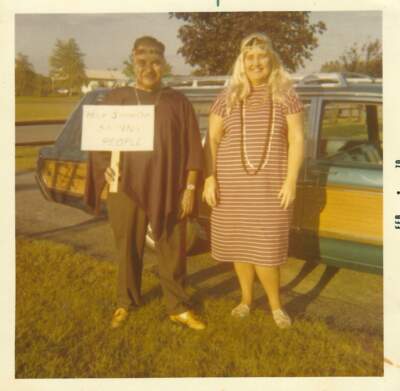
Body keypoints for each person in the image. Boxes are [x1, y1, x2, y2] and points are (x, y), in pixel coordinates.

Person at [84, 36, 205, 330]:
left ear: (163, 64)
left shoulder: (177, 101)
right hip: (125, 186)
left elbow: (193, 148)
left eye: (155, 62)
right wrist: (105, 169)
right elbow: (99, 144)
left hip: (170, 185)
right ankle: (125, 302)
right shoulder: (117, 98)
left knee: (172, 245)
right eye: (142, 62)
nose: (149, 68)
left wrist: (190, 187)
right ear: (133, 62)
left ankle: (177, 306)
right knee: (127, 245)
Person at [203, 32, 304, 328]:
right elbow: (212, 140)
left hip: (270, 188)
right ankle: (246, 300)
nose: (256, 62)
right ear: (242, 63)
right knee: (239, 246)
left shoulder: (287, 95)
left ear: (271, 59)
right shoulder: (227, 97)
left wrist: (291, 181)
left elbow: (297, 139)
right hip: (232, 188)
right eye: (250, 57)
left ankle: (275, 307)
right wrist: (210, 179)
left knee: (267, 250)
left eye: (262, 56)